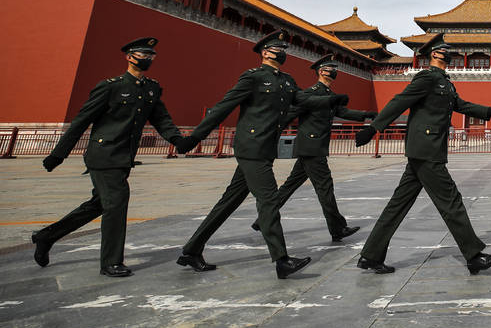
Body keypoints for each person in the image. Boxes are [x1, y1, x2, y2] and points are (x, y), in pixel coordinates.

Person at [354, 34, 491, 275]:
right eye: (444, 50)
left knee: (397, 206)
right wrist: (375, 127)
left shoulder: (444, 82)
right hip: (427, 150)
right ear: (435, 54)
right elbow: (400, 101)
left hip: (424, 151)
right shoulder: (426, 77)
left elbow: (460, 105)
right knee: (451, 201)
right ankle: (473, 255)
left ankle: (370, 256)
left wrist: (489, 111)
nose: (449, 53)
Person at [32, 37, 186, 277]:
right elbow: (81, 121)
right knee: (116, 202)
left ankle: (46, 236)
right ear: (129, 57)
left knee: (99, 205)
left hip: (124, 157)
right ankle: (111, 262)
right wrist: (58, 154)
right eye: (143, 55)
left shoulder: (151, 88)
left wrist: (178, 140)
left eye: (151, 56)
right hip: (103, 155)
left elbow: (161, 119)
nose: (147, 59)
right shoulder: (110, 86)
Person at [175, 30, 315, 279]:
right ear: (264, 53)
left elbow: (303, 99)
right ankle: (282, 260)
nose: (281, 53)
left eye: (283, 49)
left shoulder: (286, 80)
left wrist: (332, 99)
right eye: (276, 49)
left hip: (265, 148)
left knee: (229, 201)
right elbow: (223, 107)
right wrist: (195, 137)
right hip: (251, 148)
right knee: (269, 199)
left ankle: (191, 250)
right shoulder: (253, 78)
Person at [251, 53, 376, 241]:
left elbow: (343, 111)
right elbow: (289, 114)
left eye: (335, 70)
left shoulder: (329, 95)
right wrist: (267, 133)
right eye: (330, 69)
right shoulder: (310, 94)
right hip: (312, 148)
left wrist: (366, 115)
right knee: (325, 187)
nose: (334, 72)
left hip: (310, 149)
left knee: (289, 186)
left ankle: (262, 220)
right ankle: (337, 228)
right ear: (321, 72)